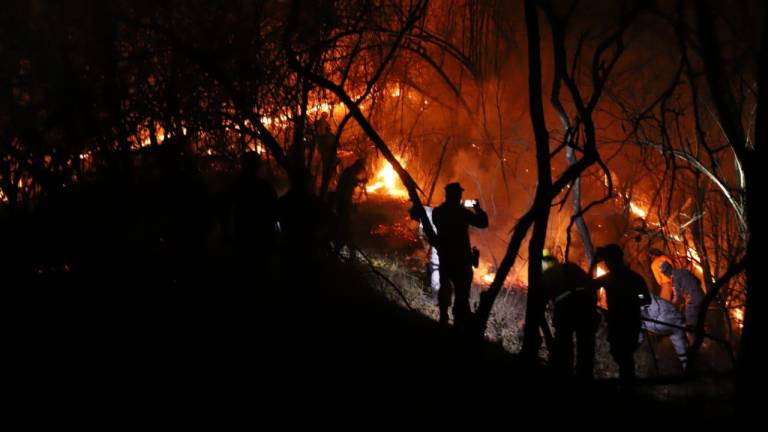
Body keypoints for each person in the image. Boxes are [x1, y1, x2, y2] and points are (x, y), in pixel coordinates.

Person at [592, 244, 651, 386]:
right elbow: (589, 285)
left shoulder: (615, 278)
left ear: (613, 261)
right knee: (623, 356)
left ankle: (627, 388)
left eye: (608, 261)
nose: (607, 264)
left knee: (623, 356)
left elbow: (646, 298)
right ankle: (628, 385)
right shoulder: (633, 277)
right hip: (625, 322)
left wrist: (594, 263)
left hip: (623, 323)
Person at [432, 182, 488, 330]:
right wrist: (477, 208)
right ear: (456, 196)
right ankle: (458, 324)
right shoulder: (462, 213)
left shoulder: (438, 212)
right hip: (462, 261)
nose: (460, 196)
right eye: (459, 194)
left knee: (445, 288)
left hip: (445, 258)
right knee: (462, 295)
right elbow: (483, 223)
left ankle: (443, 318)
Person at [540, 253, 599, 379]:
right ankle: (584, 378)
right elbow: (591, 286)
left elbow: (542, 300)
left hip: (565, 310)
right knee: (586, 346)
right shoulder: (571, 267)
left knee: (564, 344)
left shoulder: (547, 276)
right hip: (586, 308)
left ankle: (564, 375)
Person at [640, 294, 689, 372]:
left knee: (638, 322)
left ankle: (687, 367)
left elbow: (652, 312)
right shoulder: (651, 298)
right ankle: (687, 367)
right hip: (677, 321)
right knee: (681, 346)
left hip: (663, 321)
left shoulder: (645, 298)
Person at [659, 261, 705, 332]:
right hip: (702, 295)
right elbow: (699, 281)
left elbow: (678, 297)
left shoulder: (674, 278)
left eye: (664, 273)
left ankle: (699, 340)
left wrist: (670, 305)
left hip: (693, 301)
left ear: (667, 271)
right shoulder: (684, 270)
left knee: (691, 324)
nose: (665, 275)